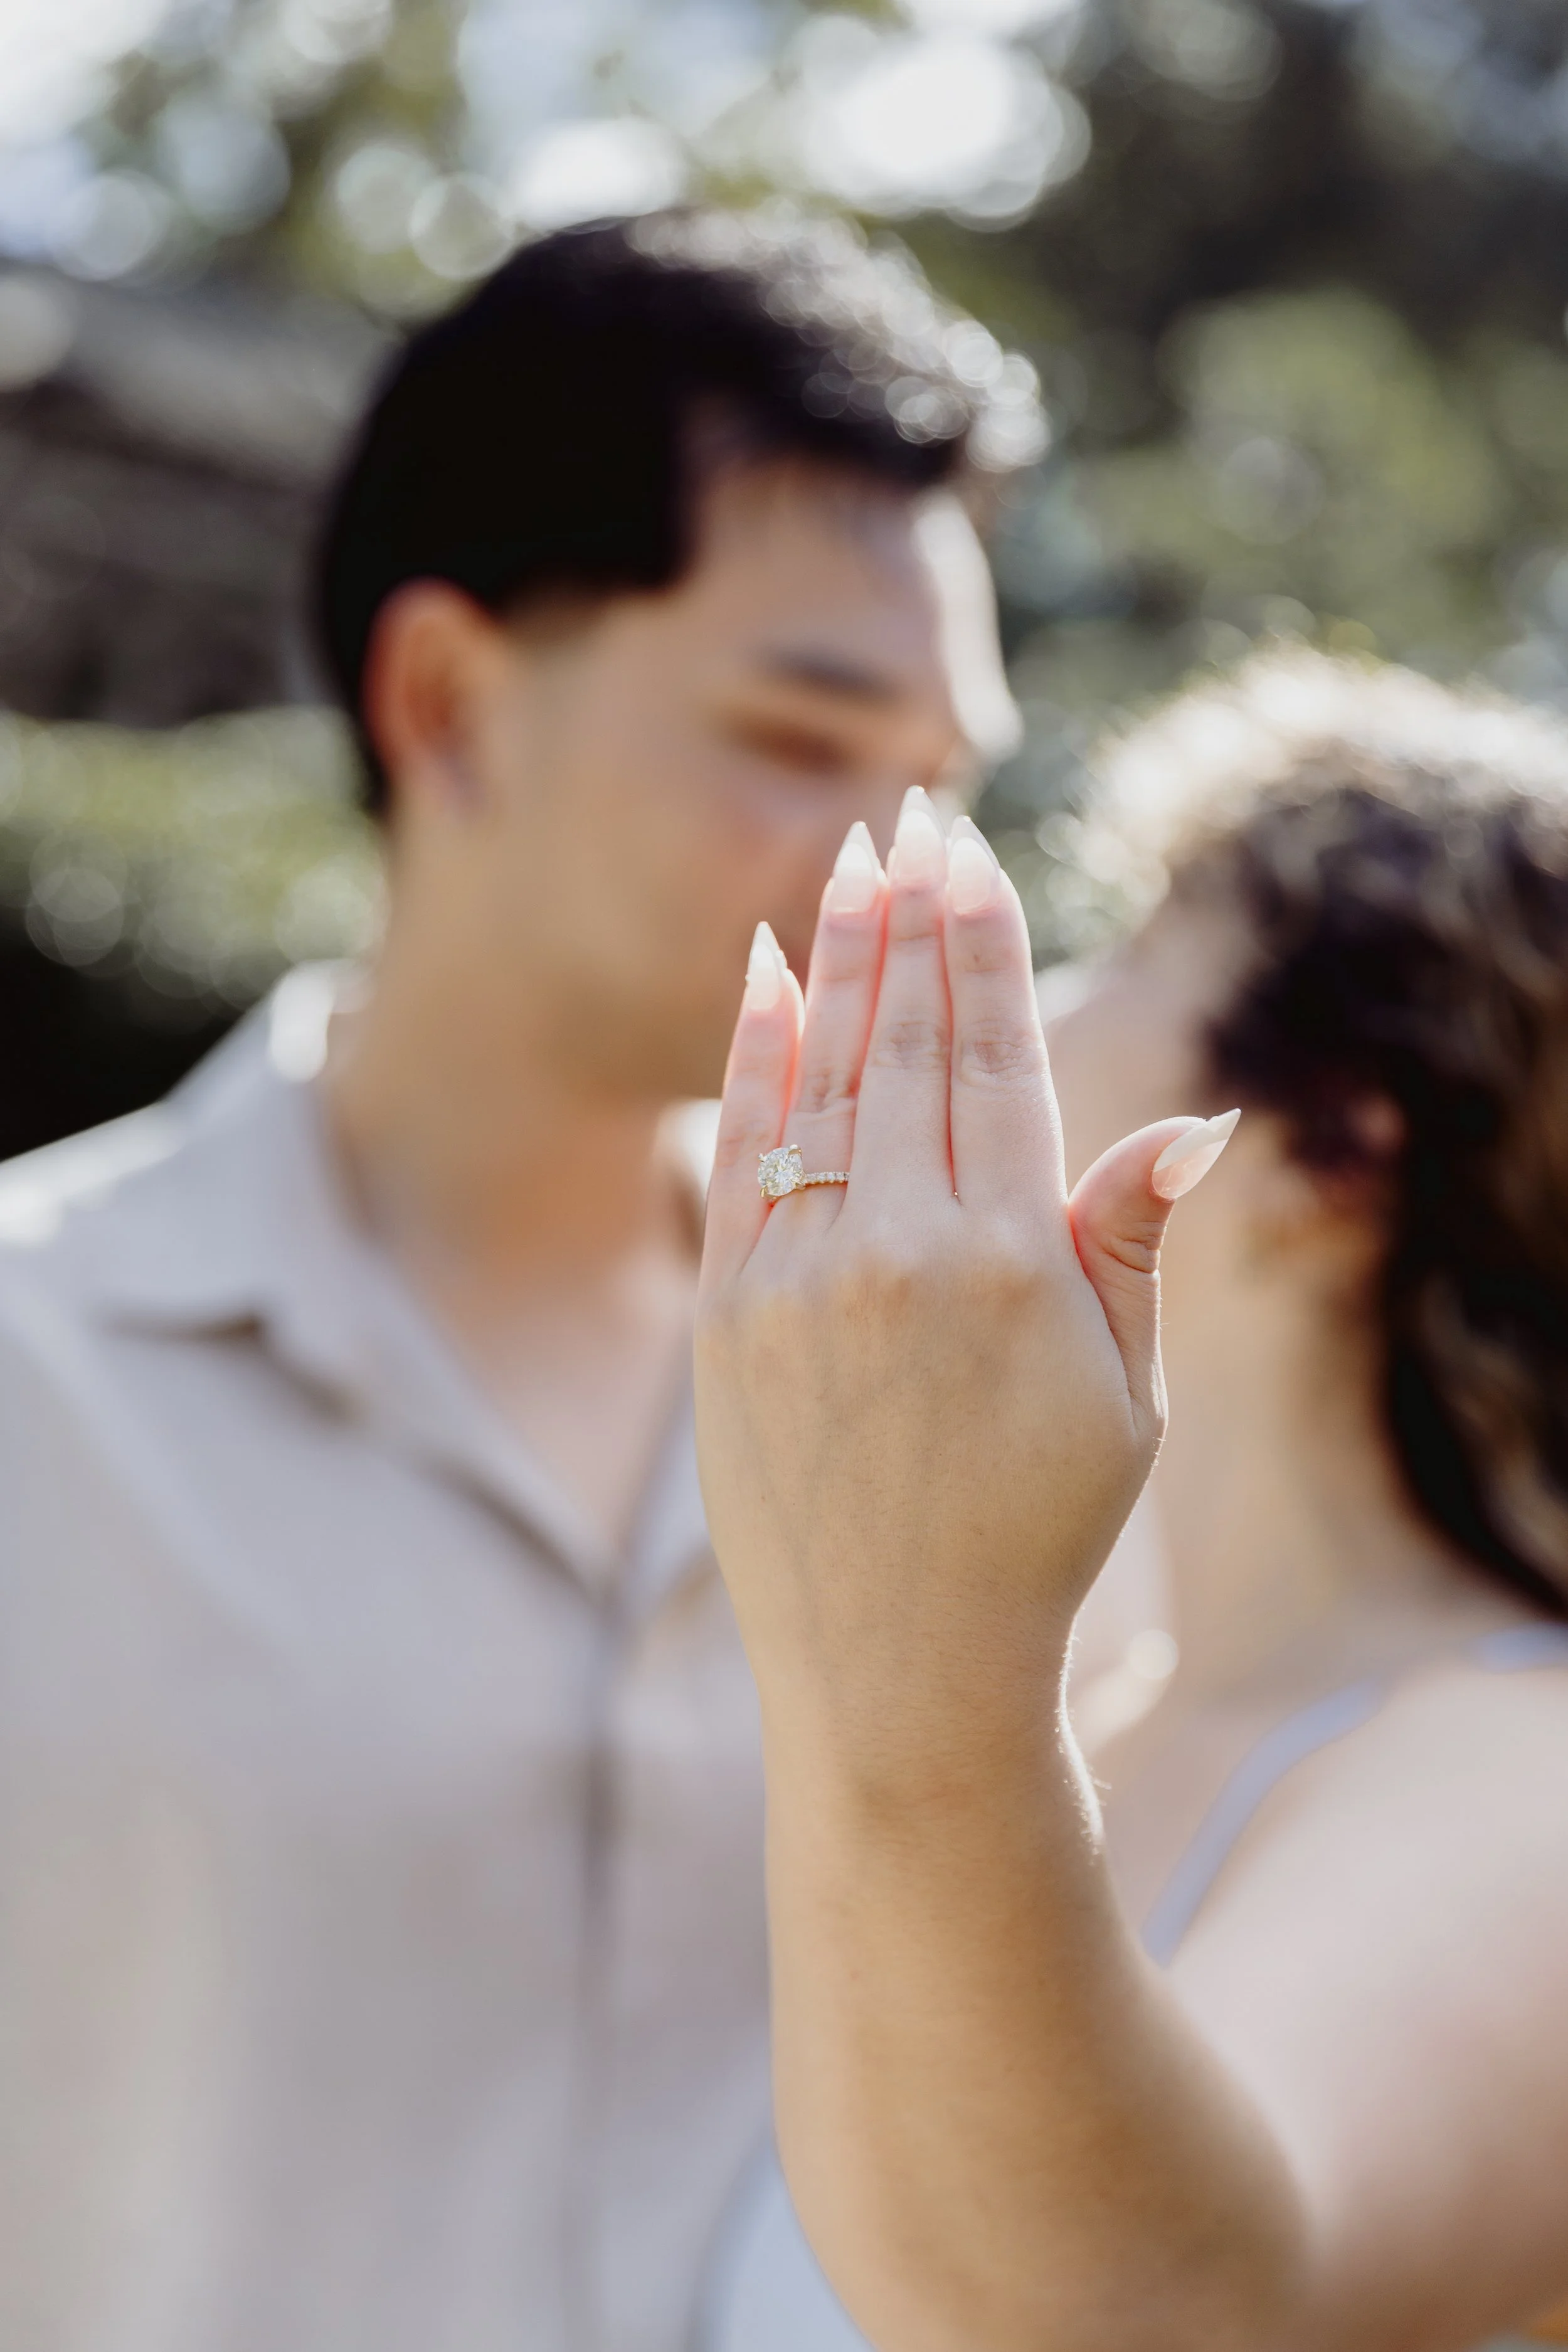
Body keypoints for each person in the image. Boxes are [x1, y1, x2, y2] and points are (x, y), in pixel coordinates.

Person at [0, 210, 1032, 2351]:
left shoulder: (988, 1405)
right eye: (801, 735)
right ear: (447, 700)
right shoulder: (34, 1371)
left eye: (942, 786)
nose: (905, 873)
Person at [694, 652, 1568, 2351]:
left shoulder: (1530, 1773)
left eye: (1128, 949)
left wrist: (896, 1640)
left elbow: (1150, 2313)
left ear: (1329, 1144)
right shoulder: (1099, 1693)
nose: (1053, 1009)